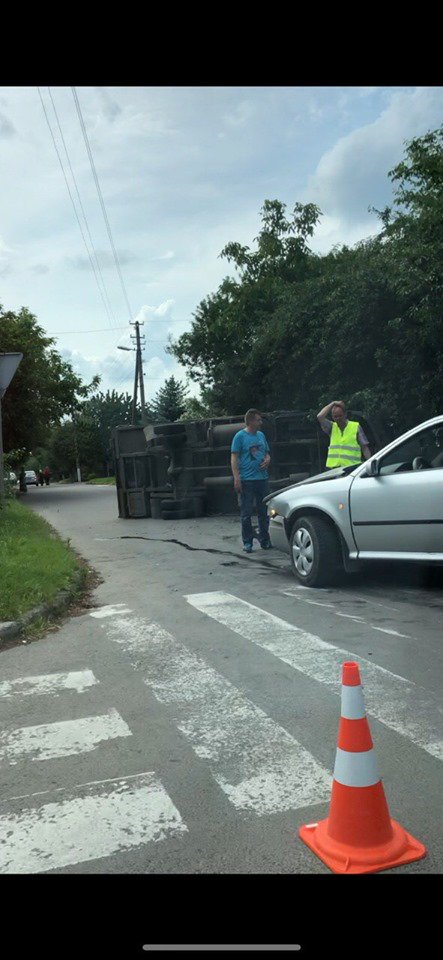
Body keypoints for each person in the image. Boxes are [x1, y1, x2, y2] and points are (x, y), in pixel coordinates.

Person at [231, 408, 272, 553]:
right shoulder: (240, 437)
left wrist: (267, 460)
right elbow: (234, 457)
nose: (260, 422)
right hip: (247, 480)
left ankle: (265, 539)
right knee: (246, 513)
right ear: (250, 421)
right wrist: (237, 478)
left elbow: (267, 453)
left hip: (262, 479)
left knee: (264, 512)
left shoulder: (261, 435)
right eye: (258, 420)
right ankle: (247, 542)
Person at [317, 400, 371, 468]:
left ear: (345, 414)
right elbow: (320, 416)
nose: (338, 418)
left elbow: (364, 447)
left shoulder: (355, 426)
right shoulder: (331, 427)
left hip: (352, 468)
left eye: (340, 416)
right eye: (335, 416)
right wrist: (333, 403)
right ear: (332, 417)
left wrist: (370, 463)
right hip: (334, 469)